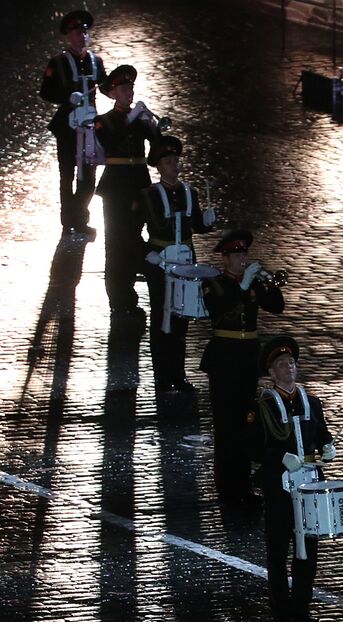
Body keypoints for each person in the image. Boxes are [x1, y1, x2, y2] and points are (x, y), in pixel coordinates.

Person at [249, 336, 334, 622]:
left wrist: (328, 446)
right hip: (279, 487)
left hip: (309, 485)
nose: (289, 368)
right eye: (282, 365)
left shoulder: (311, 402)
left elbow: (321, 434)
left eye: (292, 363)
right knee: (278, 549)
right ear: (271, 372)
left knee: (308, 550)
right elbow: (251, 448)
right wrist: (280, 458)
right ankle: (280, 611)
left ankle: (302, 607)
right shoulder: (262, 406)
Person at [201, 230, 285, 503]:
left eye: (243, 254)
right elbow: (219, 308)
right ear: (225, 258)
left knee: (247, 422)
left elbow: (277, 306)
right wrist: (243, 285)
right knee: (226, 426)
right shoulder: (214, 284)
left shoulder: (250, 283)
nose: (241, 259)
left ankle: (244, 488)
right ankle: (228, 487)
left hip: (248, 358)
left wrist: (268, 284)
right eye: (236, 255)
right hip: (224, 359)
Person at [138, 135, 216, 391]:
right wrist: (145, 254)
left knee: (182, 315)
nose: (174, 165)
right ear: (158, 166)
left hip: (186, 260)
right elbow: (130, 232)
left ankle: (179, 373)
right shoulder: (149, 194)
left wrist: (206, 221)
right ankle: (162, 375)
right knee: (162, 318)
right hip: (161, 260)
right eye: (168, 161)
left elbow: (196, 226)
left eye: (176, 160)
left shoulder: (189, 192)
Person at [93, 65, 158, 317]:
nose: (129, 93)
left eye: (130, 88)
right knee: (116, 241)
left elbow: (156, 154)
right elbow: (110, 141)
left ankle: (129, 293)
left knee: (133, 236)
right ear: (113, 93)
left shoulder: (139, 119)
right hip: (116, 187)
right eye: (123, 89)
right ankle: (117, 298)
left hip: (140, 183)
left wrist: (153, 128)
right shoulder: (103, 121)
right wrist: (132, 120)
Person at [39, 10, 106, 237]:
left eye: (84, 32)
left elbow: (105, 87)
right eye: (77, 32)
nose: (81, 36)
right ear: (69, 36)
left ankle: (80, 217)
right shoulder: (57, 63)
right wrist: (67, 96)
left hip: (89, 126)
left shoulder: (96, 61)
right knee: (67, 174)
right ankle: (69, 221)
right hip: (67, 126)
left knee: (88, 177)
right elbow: (45, 92)